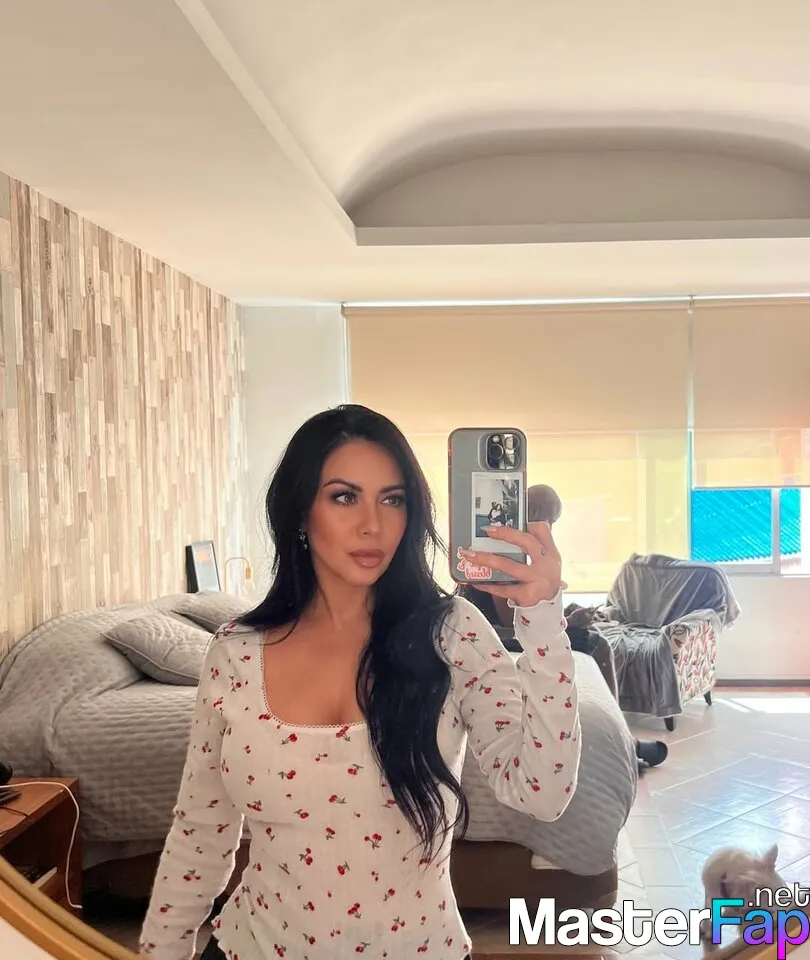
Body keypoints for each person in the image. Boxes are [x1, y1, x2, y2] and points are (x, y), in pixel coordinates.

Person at [139, 405, 582, 960]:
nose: (373, 524)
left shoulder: (452, 634)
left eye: (392, 499)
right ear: (300, 511)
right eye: (345, 497)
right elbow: (199, 834)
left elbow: (542, 794)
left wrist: (543, 621)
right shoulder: (236, 652)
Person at [461, 483, 667, 772]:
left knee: (590, 635)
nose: (550, 528)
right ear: (530, 513)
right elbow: (513, 618)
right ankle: (626, 743)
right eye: (549, 519)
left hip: (503, 627)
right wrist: (567, 622)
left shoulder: (511, 546)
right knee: (597, 643)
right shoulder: (507, 552)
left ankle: (625, 737)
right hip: (497, 635)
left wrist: (563, 613)